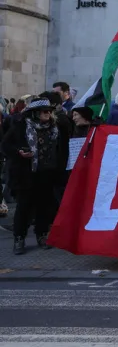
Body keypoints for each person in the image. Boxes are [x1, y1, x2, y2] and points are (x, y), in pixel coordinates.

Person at [1, 98, 68, 254]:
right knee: (24, 207)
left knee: (44, 206)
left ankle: (42, 235)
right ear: (35, 113)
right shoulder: (21, 126)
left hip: (48, 173)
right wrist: (19, 152)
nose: (48, 114)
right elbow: (5, 145)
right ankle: (19, 238)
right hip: (26, 173)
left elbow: (62, 149)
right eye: (45, 111)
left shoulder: (56, 127)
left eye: (50, 111)